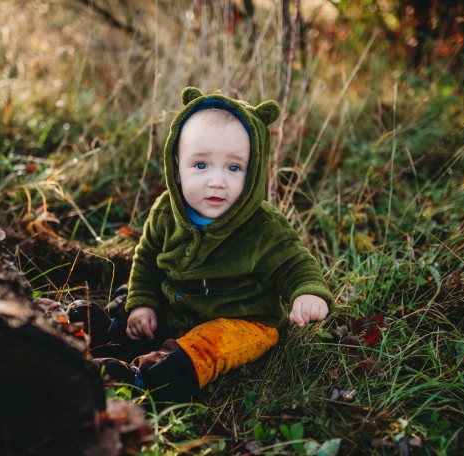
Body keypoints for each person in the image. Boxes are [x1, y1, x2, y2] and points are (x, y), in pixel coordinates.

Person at [70, 87, 331, 403]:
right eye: (201, 165)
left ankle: (146, 376)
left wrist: (307, 292)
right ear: (176, 166)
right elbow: (148, 259)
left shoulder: (263, 226)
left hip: (243, 319)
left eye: (234, 167)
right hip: (179, 305)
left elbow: (294, 262)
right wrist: (143, 303)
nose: (217, 181)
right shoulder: (166, 211)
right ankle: (111, 329)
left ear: (254, 171)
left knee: (210, 345)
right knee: (135, 295)